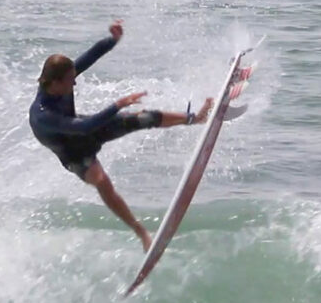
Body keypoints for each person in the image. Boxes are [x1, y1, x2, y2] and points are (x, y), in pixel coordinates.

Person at [29, 20, 212, 252]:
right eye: (70, 80)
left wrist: (112, 41)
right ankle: (141, 232)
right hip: (72, 151)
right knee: (102, 181)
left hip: (84, 126)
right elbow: (84, 127)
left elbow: (90, 56)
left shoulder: (60, 79)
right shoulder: (42, 114)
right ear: (54, 83)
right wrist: (118, 104)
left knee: (143, 118)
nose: (75, 81)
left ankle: (195, 118)